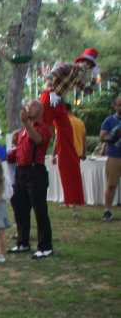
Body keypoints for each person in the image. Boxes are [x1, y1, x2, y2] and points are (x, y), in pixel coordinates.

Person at [40, 48, 100, 210]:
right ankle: (35, 159)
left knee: (67, 138)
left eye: (89, 64)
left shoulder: (76, 76)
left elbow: (87, 90)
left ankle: (72, 197)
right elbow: (50, 76)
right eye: (85, 62)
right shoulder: (67, 67)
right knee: (41, 131)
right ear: (79, 60)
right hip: (49, 98)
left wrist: (95, 77)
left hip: (58, 102)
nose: (86, 66)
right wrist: (51, 91)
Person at [6, 100, 53, 259]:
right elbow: (18, 151)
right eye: (28, 106)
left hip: (35, 171)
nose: (28, 108)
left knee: (40, 210)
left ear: (40, 110)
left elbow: (38, 140)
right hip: (21, 171)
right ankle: (23, 242)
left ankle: (45, 246)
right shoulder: (22, 131)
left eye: (32, 106)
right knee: (20, 208)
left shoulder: (43, 128)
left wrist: (26, 123)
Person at [52, 102, 87, 216]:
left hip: (66, 153)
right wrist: (84, 153)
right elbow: (84, 138)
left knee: (66, 179)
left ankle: (69, 201)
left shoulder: (63, 122)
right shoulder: (80, 122)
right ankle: (76, 201)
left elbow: (57, 139)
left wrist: (53, 154)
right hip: (77, 153)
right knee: (75, 178)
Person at [99, 96, 121, 221]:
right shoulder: (109, 121)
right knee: (111, 184)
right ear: (115, 106)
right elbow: (102, 138)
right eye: (119, 105)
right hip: (114, 156)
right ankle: (107, 210)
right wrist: (114, 135)